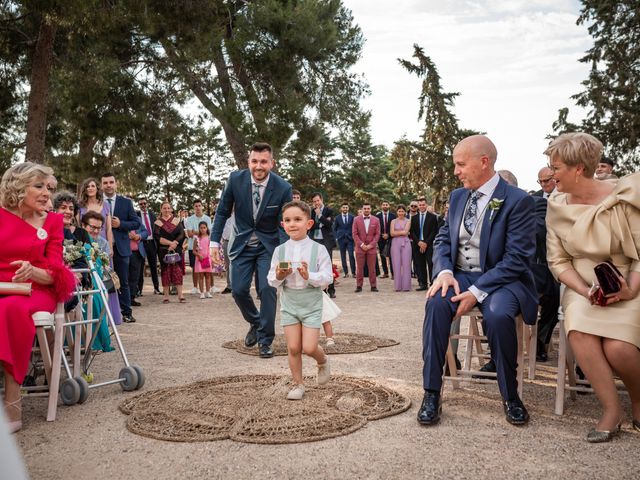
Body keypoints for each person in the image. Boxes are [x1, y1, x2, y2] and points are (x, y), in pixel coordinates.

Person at [417, 135, 537, 427]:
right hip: (458, 275)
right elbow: (444, 237)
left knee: (497, 315)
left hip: (502, 279)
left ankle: (511, 395)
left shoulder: (518, 200)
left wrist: (476, 290)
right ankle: (432, 392)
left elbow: (517, 258)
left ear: (484, 162)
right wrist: (444, 271)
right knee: (435, 304)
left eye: (460, 164)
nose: (456, 172)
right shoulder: (458, 196)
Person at [545, 132, 640, 442]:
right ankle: (611, 410)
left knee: (619, 348)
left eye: (556, 167)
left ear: (577, 169)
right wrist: (585, 290)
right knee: (580, 330)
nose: (551, 173)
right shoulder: (555, 204)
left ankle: (638, 402)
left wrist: (629, 290)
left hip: (628, 283)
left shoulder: (624, 196)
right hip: (582, 285)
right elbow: (558, 262)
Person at [0, 162, 76, 433]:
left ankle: (12, 399)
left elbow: (57, 273)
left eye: (49, 187)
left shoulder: (52, 222)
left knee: (9, 310)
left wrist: (33, 271)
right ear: (18, 187)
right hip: (1, 287)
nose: (47, 193)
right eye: (39, 186)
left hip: (36, 290)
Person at [211, 142, 292, 359]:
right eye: (254, 161)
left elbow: (284, 225)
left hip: (269, 247)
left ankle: (265, 341)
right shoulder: (235, 180)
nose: (259, 166)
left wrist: (284, 254)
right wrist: (213, 242)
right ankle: (256, 322)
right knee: (237, 290)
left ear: (272, 163)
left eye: (263, 161)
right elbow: (222, 213)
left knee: (267, 289)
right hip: (241, 244)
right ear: (248, 162)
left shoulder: (283, 187)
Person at [267, 201, 332, 399]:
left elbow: (327, 277)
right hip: (289, 303)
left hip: (311, 302)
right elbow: (271, 280)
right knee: (294, 347)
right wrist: (279, 275)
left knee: (309, 347)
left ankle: (323, 361)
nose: (292, 224)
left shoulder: (318, 249)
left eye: (297, 219)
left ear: (309, 223)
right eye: (287, 220)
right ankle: (298, 385)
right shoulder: (280, 250)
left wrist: (308, 275)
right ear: (282, 224)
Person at [78, 179, 123, 325]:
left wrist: (109, 248)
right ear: (84, 189)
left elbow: (109, 229)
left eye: (93, 185)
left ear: (97, 188)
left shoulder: (105, 205)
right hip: (88, 243)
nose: (90, 188)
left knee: (106, 279)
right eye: (87, 186)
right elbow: (80, 228)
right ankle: (93, 314)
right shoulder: (80, 207)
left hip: (103, 245)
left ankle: (110, 317)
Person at [101, 173, 141, 323]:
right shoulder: (98, 202)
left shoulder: (126, 202)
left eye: (111, 182)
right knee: (104, 280)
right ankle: (106, 313)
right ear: (102, 185)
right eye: (105, 183)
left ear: (116, 184)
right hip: (102, 248)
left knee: (123, 281)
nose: (108, 185)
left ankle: (126, 312)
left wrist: (121, 224)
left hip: (121, 247)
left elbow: (136, 222)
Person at [154, 201, 186, 304]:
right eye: (164, 208)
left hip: (176, 249)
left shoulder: (177, 221)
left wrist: (175, 243)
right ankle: (166, 296)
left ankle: (180, 295)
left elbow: (182, 234)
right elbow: (157, 236)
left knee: (178, 271)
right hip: (164, 250)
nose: (167, 210)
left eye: (168, 208)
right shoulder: (158, 222)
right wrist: (170, 243)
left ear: (171, 209)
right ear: (161, 209)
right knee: (165, 272)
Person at [310, 192, 337, 298]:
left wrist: (319, 216)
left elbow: (329, 224)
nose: (316, 203)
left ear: (321, 200)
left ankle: (331, 290)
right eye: (314, 201)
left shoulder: (329, 211)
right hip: (315, 241)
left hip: (326, 242)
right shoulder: (311, 212)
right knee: (316, 266)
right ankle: (321, 290)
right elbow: (310, 226)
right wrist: (321, 224)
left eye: (318, 200)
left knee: (328, 265)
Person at [410, 197, 439, 291]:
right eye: (420, 205)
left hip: (429, 244)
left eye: (423, 204)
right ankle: (423, 284)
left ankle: (432, 283)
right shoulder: (413, 218)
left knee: (430, 263)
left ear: (426, 205)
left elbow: (434, 231)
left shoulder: (433, 217)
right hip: (417, 244)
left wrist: (426, 243)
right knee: (420, 264)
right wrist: (419, 242)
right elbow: (412, 232)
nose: (422, 206)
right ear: (418, 206)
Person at [185, 199, 212, 294]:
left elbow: (209, 233)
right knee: (194, 268)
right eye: (196, 206)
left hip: (206, 248)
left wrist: (195, 232)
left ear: (202, 206)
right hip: (193, 247)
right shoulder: (190, 219)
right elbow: (189, 233)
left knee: (208, 267)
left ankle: (210, 288)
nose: (198, 207)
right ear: (193, 207)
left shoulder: (208, 219)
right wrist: (200, 232)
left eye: (199, 205)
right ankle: (195, 287)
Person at [352, 202, 380, 292]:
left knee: (372, 268)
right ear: (362, 209)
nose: (366, 210)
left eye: (368, 208)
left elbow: (377, 234)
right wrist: (361, 245)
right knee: (359, 268)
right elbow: (354, 234)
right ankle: (359, 286)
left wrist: (371, 245)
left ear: (370, 209)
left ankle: (373, 286)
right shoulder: (356, 219)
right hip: (360, 248)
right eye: (365, 208)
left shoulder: (376, 220)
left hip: (371, 248)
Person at [137, 198, 161, 295]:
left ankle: (156, 288)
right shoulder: (136, 215)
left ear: (147, 204)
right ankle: (139, 290)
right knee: (140, 267)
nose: (143, 205)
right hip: (141, 242)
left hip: (151, 242)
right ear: (139, 205)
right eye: (141, 204)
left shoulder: (152, 214)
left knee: (153, 266)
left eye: (144, 203)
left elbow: (157, 226)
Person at [390, 205, 412, 291]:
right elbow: (391, 233)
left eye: (402, 211)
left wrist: (398, 232)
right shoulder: (393, 221)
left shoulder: (408, 221)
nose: (401, 213)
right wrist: (403, 232)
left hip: (406, 243)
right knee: (396, 264)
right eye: (399, 211)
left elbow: (406, 231)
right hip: (395, 243)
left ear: (405, 212)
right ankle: (397, 286)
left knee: (406, 264)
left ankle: (406, 286)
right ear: (397, 212)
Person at [127, 219, 148, 306]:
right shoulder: (119, 220)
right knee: (125, 277)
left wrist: (138, 236)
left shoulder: (137, 220)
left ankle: (132, 298)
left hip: (137, 253)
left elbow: (146, 232)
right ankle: (124, 299)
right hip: (123, 252)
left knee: (135, 277)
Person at [333, 202, 356, 278]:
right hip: (341, 239)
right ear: (341, 209)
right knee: (343, 256)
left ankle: (353, 272)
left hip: (350, 239)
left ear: (348, 208)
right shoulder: (337, 218)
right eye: (343, 207)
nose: (345, 209)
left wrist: (354, 236)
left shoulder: (352, 217)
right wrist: (336, 237)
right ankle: (346, 273)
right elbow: (334, 228)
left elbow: (354, 228)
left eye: (346, 207)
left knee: (351, 255)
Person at [193, 221, 214, 298]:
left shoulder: (209, 238)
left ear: (207, 228)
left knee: (208, 276)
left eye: (204, 227)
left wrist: (212, 260)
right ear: (199, 228)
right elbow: (193, 251)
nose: (202, 229)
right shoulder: (197, 239)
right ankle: (202, 293)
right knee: (201, 276)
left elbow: (211, 249)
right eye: (201, 228)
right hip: (200, 260)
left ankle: (208, 292)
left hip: (208, 259)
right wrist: (198, 255)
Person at [376, 201, 396, 279]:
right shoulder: (377, 216)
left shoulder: (393, 216)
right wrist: (382, 235)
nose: (385, 206)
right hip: (381, 239)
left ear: (389, 206)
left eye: (386, 205)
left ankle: (393, 273)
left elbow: (395, 227)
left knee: (391, 256)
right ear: (381, 206)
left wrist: (388, 234)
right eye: (383, 205)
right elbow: (376, 228)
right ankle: (385, 273)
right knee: (382, 256)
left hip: (390, 238)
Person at [219, 213, 234, 294]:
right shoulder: (223, 215)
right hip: (226, 242)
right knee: (228, 265)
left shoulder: (239, 214)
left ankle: (238, 286)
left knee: (238, 265)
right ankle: (229, 286)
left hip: (237, 242)